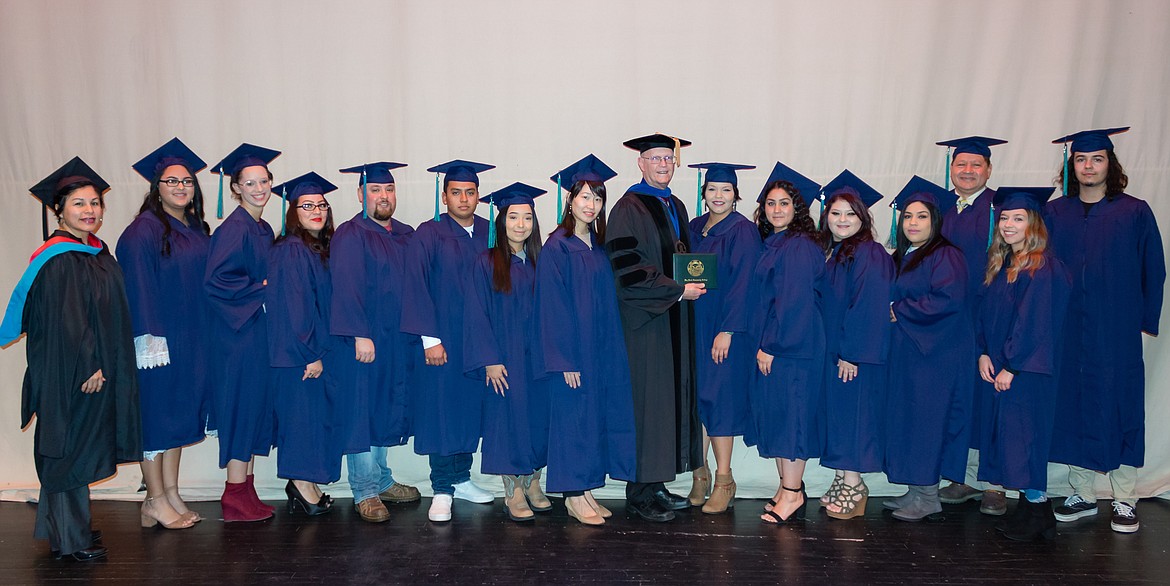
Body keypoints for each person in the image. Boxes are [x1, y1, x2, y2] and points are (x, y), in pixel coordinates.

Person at [1, 157, 141, 561]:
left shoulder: (94, 252)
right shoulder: (60, 259)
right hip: (72, 372)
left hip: (87, 369)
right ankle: (70, 539)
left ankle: (65, 528)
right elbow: (68, 322)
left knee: (74, 448)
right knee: (66, 450)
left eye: (95, 203)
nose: (90, 211)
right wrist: (89, 366)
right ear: (58, 209)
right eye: (79, 203)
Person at [1046, 127, 1165, 534]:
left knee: (1120, 404)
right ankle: (1081, 491)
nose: (1088, 166)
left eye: (1097, 159)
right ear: (1071, 165)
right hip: (1066, 328)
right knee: (1074, 404)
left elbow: (1154, 268)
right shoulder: (1055, 212)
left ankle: (1125, 497)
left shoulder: (1133, 211)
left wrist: (1144, 319)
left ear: (1109, 165)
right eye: (1081, 159)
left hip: (1114, 328)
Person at [605, 133, 706, 523]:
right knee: (648, 404)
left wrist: (690, 285)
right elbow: (629, 271)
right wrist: (678, 290)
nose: (664, 164)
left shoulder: (675, 205)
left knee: (667, 403)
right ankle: (639, 492)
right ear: (641, 164)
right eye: (656, 158)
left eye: (668, 158)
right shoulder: (628, 207)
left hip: (674, 319)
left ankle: (657, 483)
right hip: (645, 324)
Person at [117, 138, 211, 530]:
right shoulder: (144, 230)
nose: (180, 187)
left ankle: (170, 492)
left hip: (190, 339)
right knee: (157, 418)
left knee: (177, 418)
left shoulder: (193, 227)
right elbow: (138, 287)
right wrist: (148, 339)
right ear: (156, 187)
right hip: (158, 343)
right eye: (172, 181)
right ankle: (154, 498)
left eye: (187, 181)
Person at [539, 154, 637, 526]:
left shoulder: (597, 247)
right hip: (573, 354)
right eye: (584, 197)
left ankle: (586, 489)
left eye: (597, 198)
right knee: (572, 420)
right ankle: (572, 493)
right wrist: (564, 360)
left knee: (592, 418)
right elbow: (552, 308)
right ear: (569, 200)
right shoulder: (557, 248)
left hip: (601, 350)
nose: (591, 204)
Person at [401, 160, 497, 523]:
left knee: (469, 411)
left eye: (470, 193)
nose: (464, 199)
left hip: (477, 342)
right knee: (441, 412)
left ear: (478, 196)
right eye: (456, 193)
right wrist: (430, 339)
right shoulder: (428, 233)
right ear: (445, 196)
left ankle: (461, 479)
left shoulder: (490, 232)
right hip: (442, 341)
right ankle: (441, 488)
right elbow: (416, 285)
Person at [975, 187, 1071, 541]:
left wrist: (1012, 367)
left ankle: (1036, 511)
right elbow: (986, 314)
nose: (1009, 225)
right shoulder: (1004, 264)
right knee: (1013, 441)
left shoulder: (1043, 267)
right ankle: (1033, 511)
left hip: (1028, 372)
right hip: (1004, 367)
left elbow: (1036, 323)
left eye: (1019, 218)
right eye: (1005, 218)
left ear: (1034, 224)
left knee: (1026, 440)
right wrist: (984, 351)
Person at [332, 162, 420, 523]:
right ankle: (365, 490)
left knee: (385, 406)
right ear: (360, 195)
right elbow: (346, 285)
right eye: (375, 190)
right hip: (367, 341)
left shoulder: (406, 233)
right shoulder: (351, 233)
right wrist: (359, 333)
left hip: (397, 340)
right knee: (363, 412)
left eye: (388, 189)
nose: (383, 196)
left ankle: (382, 479)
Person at [882, 176, 974, 522]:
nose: (913, 223)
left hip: (936, 356)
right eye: (907, 216)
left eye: (921, 216)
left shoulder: (946, 255)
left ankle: (928, 496)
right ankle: (915, 490)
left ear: (935, 221)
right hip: (910, 353)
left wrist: (899, 310)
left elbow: (948, 300)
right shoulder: (903, 255)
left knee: (927, 422)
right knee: (909, 419)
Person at [463, 182, 551, 522]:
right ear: (501, 222)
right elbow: (476, 313)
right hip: (505, 358)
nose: (520, 224)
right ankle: (512, 489)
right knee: (507, 422)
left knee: (537, 419)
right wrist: (490, 359)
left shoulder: (540, 261)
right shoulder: (486, 262)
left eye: (527, 218)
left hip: (537, 359)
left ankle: (532, 481)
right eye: (513, 217)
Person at [204, 143, 282, 522]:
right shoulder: (234, 228)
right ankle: (234, 495)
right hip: (238, 338)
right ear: (234, 187)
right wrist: (263, 287)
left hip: (255, 332)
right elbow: (216, 282)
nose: (258, 188)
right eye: (249, 183)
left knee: (252, 410)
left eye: (263, 181)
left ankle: (246, 490)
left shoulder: (262, 226)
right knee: (240, 410)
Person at [268, 172, 353, 517]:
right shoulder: (291, 250)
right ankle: (301, 485)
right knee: (301, 420)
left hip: (317, 350)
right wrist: (310, 354)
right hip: (299, 354)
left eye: (321, 205)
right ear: (293, 212)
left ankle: (307, 483)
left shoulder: (317, 248)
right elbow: (295, 307)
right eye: (307, 206)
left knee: (314, 419)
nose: (316, 210)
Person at [934, 136, 1011, 515]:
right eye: (961, 164)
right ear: (952, 168)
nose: (967, 171)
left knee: (991, 397)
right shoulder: (940, 207)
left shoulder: (1002, 209)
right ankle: (961, 477)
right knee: (958, 397)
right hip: (949, 319)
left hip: (991, 314)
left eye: (975, 165)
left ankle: (995, 483)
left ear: (988, 170)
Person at [748, 164, 826, 525]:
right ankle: (786, 487)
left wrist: (773, 346)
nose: (776, 209)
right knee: (781, 417)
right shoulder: (776, 243)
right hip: (782, 346)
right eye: (770, 203)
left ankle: (793, 493)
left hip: (793, 350)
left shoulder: (796, 247)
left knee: (792, 418)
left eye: (784, 204)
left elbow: (793, 303)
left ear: (797, 209)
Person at [815, 170, 893, 520]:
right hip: (834, 351)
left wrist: (852, 353)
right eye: (835, 213)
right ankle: (843, 477)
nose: (842, 220)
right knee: (840, 416)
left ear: (862, 218)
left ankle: (855, 484)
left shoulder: (870, 253)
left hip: (854, 354)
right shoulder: (832, 252)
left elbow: (868, 305)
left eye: (850, 213)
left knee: (855, 416)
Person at [684, 161, 760, 514]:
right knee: (696, 400)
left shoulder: (743, 231)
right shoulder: (695, 227)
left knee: (720, 401)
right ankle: (699, 475)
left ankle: (724, 479)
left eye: (726, 190)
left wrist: (727, 330)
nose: (718, 195)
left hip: (723, 331)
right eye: (712, 189)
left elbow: (744, 285)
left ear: (735, 195)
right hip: (694, 325)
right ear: (704, 192)